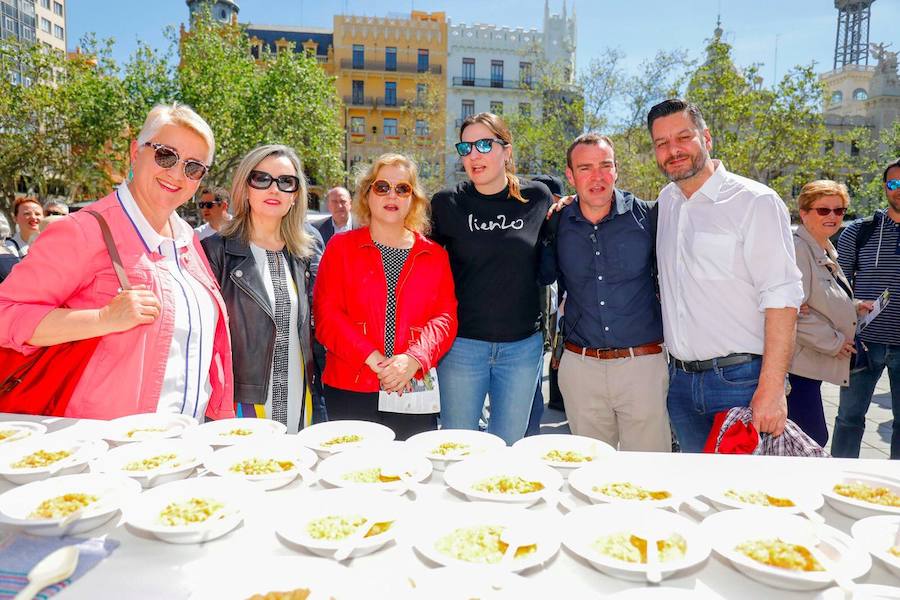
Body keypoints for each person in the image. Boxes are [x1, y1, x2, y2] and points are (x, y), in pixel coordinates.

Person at [0, 102, 234, 420]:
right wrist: (103, 319)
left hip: (185, 443)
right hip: (109, 450)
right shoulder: (84, 231)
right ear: (135, 152)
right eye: (166, 155)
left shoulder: (187, 238)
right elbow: (7, 314)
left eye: (193, 167)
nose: (177, 173)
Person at [648, 98, 803, 453]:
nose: (673, 150)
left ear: (707, 137)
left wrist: (773, 387)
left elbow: (782, 298)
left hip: (741, 383)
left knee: (745, 494)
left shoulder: (754, 202)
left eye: (683, 137)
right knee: (698, 494)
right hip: (681, 385)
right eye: (662, 143)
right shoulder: (667, 202)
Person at [314, 153, 457, 440]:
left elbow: (445, 318)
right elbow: (327, 315)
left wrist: (414, 359)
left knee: (409, 472)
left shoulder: (434, 255)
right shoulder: (340, 248)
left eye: (402, 188)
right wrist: (372, 359)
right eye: (382, 187)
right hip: (351, 382)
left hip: (412, 384)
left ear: (413, 199)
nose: (392, 195)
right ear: (367, 194)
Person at [431, 112, 554, 445]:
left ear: (507, 151)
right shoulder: (446, 204)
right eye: (466, 146)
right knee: (458, 447)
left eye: (484, 144)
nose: (474, 155)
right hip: (461, 348)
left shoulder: (538, 199)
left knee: (508, 449)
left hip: (522, 350)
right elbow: (425, 267)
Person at [541, 133, 669, 451]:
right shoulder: (557, 223)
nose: (597, 176)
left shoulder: (650, 217)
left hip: (642, 366)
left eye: (605, 165)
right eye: (585, 168)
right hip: (581, 368)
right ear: (570, 175)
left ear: (616, 169)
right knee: (588, 473)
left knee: (650, 475)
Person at [202, 145, 319, 433]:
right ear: (245, 188)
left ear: (295, 195)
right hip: (243, 399)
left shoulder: (304, 254)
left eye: (285, 182)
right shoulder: (215, 251)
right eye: (262, 179)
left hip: (299, 392)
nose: (274, 189)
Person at [788, 180, 871, 447]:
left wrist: (853, 306)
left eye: (839, 211)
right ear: (804, 212)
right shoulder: (799, 248)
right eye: (823, 210)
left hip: (811, 367)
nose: (833, 216)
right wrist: (835, 342)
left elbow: (816, 301)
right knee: (811, 440)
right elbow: (792, 312)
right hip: (796, 369)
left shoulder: (823, 247)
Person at [833, 158, 900, 459]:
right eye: (893, 183)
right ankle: (836, 482)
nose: (898, 189)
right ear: (885, 187)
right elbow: (836, 286)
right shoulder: (859, 231)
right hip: (863, 343)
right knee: (848, 420)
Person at [527, 173, 565, 435]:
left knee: (532, 399)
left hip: (552, 323)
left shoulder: (566, 226)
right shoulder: (527, 228)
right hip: (528, 327)